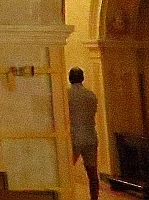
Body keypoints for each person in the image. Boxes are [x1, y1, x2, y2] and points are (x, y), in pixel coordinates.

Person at [68, 67, 100, 200]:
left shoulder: (66, 94)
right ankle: (94, 198)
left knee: (67, 169)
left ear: (70, 78)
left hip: (74, 136)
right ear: (82, 78)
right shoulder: (91, 95)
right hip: (90, 135)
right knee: (92, 173)